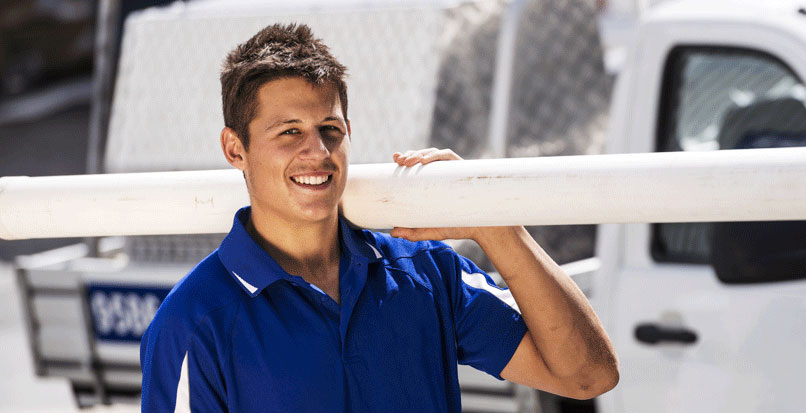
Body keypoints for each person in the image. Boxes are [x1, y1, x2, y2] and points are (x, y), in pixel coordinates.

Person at [139, 23, 618, 412]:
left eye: (330, 129)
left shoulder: (428, 273)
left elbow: (588, 376)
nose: (318, 152)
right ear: (235, 148)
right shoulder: (192, 321)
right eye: (289, 132)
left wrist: (496, 228)